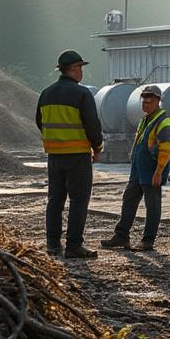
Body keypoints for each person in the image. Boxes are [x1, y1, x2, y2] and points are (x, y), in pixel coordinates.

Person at [35, 50, 103, 259]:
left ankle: (53, 245)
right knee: (78, 200)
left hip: (55, 156)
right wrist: (97, 147)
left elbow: (39, 121)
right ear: (73, 68)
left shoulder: (46, 93)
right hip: (77, 156)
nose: (82, 71)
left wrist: (56, 140)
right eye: (80, 67)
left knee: (55, 200)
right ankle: (74, 246)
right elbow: (92, 124)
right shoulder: (81, 94)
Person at [101, 85, 170, 252]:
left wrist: (158, 172)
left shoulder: (165, 122)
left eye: (150, 101)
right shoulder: (145, 120)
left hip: (152, 170)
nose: (146, 104)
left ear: (158, 101)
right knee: (129, 199)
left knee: (153, 206)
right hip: (138, 170)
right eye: (144, 101)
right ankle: (122, 235)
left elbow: (167, 150)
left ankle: (147, 240)